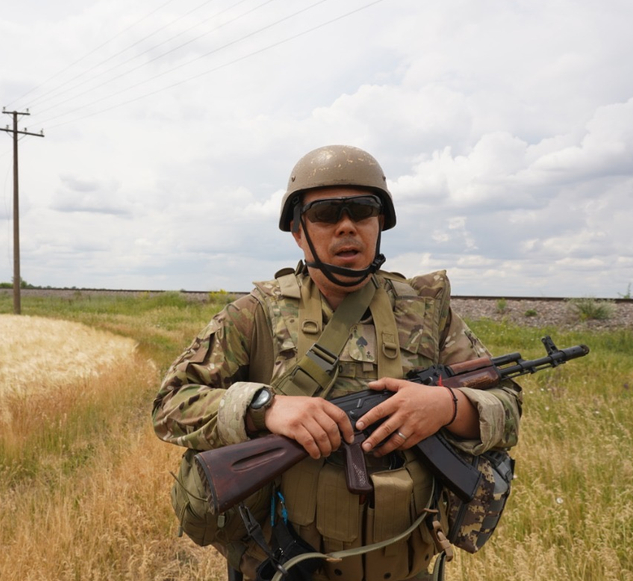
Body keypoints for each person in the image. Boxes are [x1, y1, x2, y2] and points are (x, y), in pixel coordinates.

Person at [152, 144, 522, 581]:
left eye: (363, 210)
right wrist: (265, 408)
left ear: (379, 222)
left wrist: (447, 408)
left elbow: (508, 406)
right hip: (282, 568)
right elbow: (170, 405)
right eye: (327, 214)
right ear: (297, 230)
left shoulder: (426, 313)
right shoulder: (255, 315)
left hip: (407, 569)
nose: (347, 226)